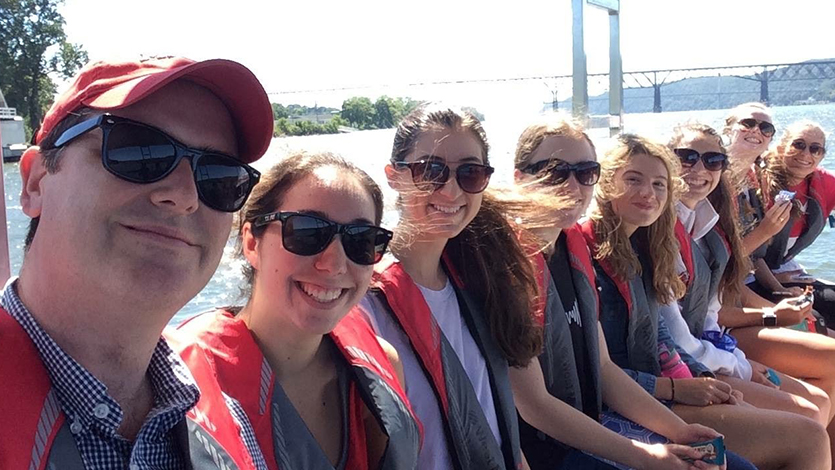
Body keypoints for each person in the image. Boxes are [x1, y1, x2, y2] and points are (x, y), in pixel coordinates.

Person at [1, 56, 274, 468]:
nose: (183, 196)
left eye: (218, 176)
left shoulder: (229, 428)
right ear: (36, 182)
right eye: (137, 151)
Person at [582, 133, 831, 470]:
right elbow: (599, 371)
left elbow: (668, 335)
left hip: (680, 373)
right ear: (605, 183)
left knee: (811, 413)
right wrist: (685, 385)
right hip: (639, 397)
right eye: (633, 180)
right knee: (807, 432)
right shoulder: (591, 254)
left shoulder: (647, 244)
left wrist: (702, 378)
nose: (648, 193)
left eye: (658, 184)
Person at [508, 116, 741, 470]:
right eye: (556, 172)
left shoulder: (573, 252)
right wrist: (647, 456)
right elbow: (535, 405)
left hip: (593, 424)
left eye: (585, 172)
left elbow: (603, 368)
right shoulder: (510, 267)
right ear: (520, 178)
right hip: (548, 451)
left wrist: (679, 431)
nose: (573, 185)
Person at [175, 152, 422, 470]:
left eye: (360, 240)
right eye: (307, 232)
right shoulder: (181, 386)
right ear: (252, 243)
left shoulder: (384, 364)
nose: (333, 264)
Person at [359, 103, 548, 470]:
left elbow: (493, 420)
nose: (450, 190)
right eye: (430, 171)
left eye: (470, 173)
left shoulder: (478, 281)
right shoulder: (363, 299)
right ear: (394, 177)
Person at [665, 122, 835, 431]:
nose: (700, 168)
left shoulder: (708, 222)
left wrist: (773, 311)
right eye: (687, 157)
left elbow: (709, 308)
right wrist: (768, 317)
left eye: (712, 161)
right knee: (808, 418)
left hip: (714, 339)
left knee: (820, 398)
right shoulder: (663, 232)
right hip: (687, 362)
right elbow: (682, 329)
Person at [748, 121, 835, 322]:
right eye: (798, 144)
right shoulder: (755, 181)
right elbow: (747, 253)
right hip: (749, 277)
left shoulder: (824, 183)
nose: (806, 154)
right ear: (781, 147)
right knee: (816, 318)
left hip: (784, 270)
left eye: (815, 149)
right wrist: (777, 286)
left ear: (821, 156)